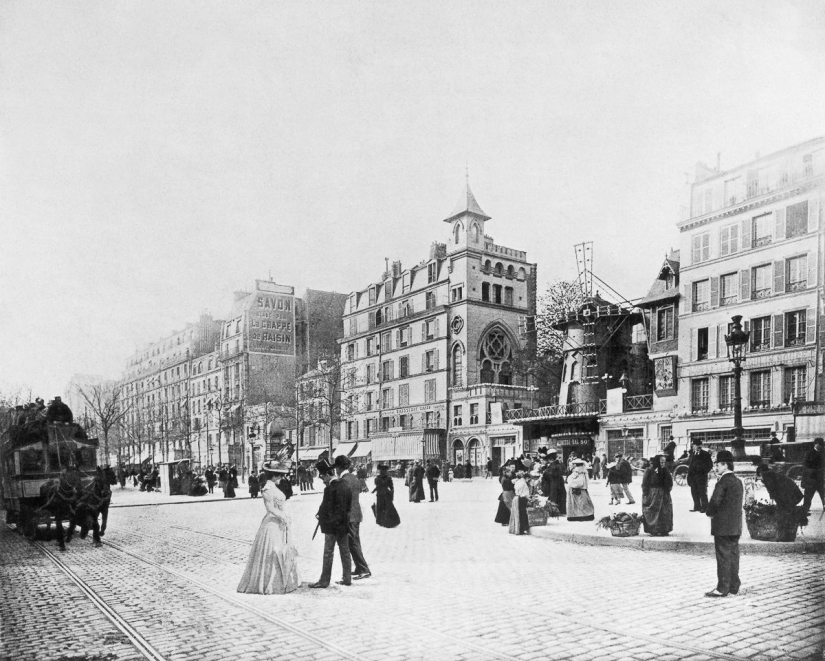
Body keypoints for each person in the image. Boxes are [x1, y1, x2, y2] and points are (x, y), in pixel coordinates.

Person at [237, 459, 300, 594]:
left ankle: (283, 580)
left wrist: (285, 517)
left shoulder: (275, 487)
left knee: (282, 549)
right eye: (279, 476)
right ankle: (270, 582)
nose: (281, 478)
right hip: (272, 523)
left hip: (280, 524)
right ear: (274, 475)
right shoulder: (267, 489)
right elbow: (270, 507)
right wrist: (282, 516)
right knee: (273, 551)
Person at [704, 450, 744, 598]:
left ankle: (722, 588)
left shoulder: (722, 482)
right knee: (733, 556)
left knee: (723, 557)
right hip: (735, 527)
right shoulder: (738, 481)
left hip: (722, 527)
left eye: (718, 465)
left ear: (725, 465)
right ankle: (734, 586)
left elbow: (715, 502)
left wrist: (709, 512)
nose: (716, 468)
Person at [310, 459, 353, 588]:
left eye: (322, 478)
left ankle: (324, 580)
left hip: (331, 527)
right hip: (344, 525)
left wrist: (321, 516)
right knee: (345, 551)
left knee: (328, 552)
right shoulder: (345, 485)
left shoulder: (329, 489)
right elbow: (347, 506)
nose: (322, 481)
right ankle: (347, 578)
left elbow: (327, 508)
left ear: (327, 475)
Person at [336, 455, 371, 580]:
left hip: (350, 516)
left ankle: (364, 569)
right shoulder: (354, 478)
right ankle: (359, 567)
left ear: (338, 468)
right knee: (354, 542)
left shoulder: (344, 480)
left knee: (353, 543)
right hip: (356, 514)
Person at [641, 453, 673, 536]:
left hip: (664, 494)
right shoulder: (649, 470)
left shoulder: (665, 470)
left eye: (664, 462)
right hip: (653, 494)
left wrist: (667, 489)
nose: (663, 464)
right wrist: (645, 495)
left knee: (665, 512)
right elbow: (644, 484)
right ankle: (654, 530)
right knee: (653, 512)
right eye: (661, 462)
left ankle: (664, 529)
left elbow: (670, 481)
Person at [687, 440, 713, 513]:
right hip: (693, 476)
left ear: (698, 446)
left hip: (701, 477)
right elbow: (690, 464)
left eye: (694, 445)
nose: (693, 447)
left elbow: (710, 465)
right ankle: (697, 507)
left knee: (702, 492)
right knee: (694, 492)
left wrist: (703, 472)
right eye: (693, 445)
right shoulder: (692, 454)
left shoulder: (705, 454)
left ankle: (704, 507)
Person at [801, 438, 825, 515]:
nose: (821, 446)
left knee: (823, 495)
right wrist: (813, 471)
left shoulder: (823, 453)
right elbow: (805, 466)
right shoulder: (809, 453)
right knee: (808, 497)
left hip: (821, 479)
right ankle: (805, 510)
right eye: (819, 444)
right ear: (815, 444)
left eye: (822, 445)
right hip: (810, 480)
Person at [540, 450, 566, 515]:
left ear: (550, 459)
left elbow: (549, 474)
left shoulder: (552, 466)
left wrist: (544, 472)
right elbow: (563, 471)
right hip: (560, 483)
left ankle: (554, 512)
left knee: (553, 497)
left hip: (553, 484)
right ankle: (561, 510)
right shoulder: (560, 464)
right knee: (560, 496)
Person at [508, 471, 531, 535]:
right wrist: (528, 498)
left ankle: (515, 529)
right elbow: (525, 494)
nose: (528, 480)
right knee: (522, 514)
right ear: (526, 478)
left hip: (516, 498)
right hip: (521, 499)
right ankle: (521, 529)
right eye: (528, 479)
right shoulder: (524, 483)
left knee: (516, 514)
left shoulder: (517, 482)